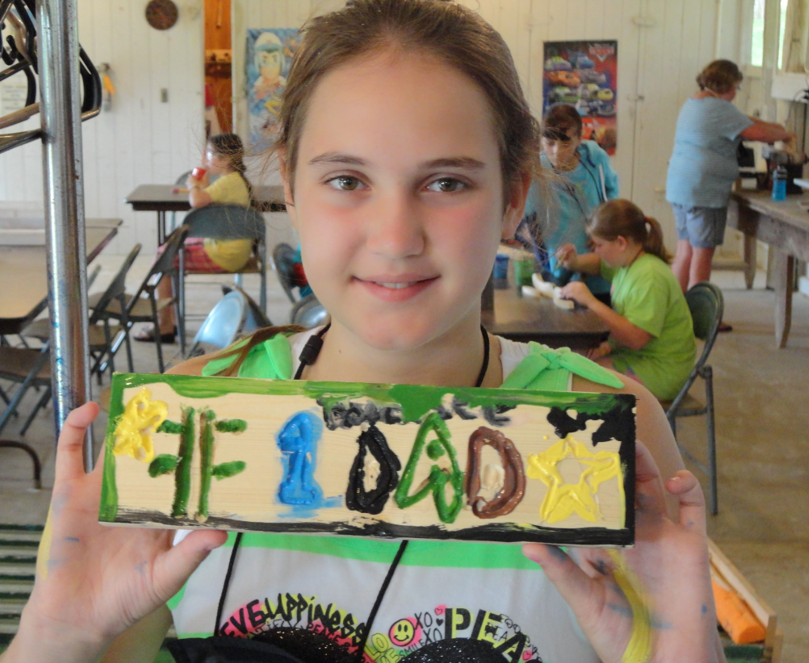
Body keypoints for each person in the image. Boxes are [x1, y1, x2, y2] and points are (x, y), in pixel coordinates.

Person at [2, 2, 724, 661]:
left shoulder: (608, 434)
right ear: (290, 188)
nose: (395, 237)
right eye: (347, 180)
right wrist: (58, 636)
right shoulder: (184, 425)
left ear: (512, 199)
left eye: (446, 182)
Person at [666, 59, 795, 297]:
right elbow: (760, 133)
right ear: (727, 85)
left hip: (680, 187)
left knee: (685, 252)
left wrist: (777, 128)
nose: (736, 93)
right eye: (736, 87)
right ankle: (698, 313)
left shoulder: (695, 102)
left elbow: (745, 120)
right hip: (704, 192)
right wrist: (786, 134)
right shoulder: (720, 108)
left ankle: (675, 309)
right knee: (703, 254)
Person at [557, 199, 697, 402]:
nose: (596, 251)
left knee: (575, 380)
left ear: (621, 243)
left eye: (599, 245)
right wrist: (575, 263)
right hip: (638, 356)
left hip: (660, 371)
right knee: (573, 363)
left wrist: (591, 302)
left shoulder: (650, 276)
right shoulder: (629, 262)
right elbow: (598, 264)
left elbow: (635, 338)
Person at [135, 133, 253, 343]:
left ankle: (165, 324)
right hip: (231, 249)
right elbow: (210, 198)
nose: (205, 158)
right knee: (169, 251)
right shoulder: (233, 181)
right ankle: (170, 319)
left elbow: (196, 202)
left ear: (225, 159)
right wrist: (203, 186)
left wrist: (194, 186)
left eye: (210, 153)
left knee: (164, 257)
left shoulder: (228, 182)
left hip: (225, 254)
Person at [518, 103, 619, 304]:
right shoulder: (537, 169)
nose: (556, 152)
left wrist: (606, 226)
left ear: (579, 139)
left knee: (599, 311)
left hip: (597, 260)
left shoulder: (595, 158)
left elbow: (611, 192)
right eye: (549, 143)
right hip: (560, 266)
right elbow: (524, 217)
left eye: (565, 144)